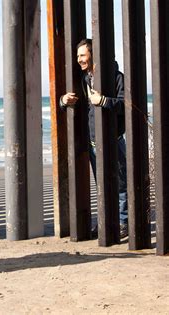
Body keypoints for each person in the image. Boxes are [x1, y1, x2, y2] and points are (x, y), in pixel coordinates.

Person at [60, 38, 128, 239]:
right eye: (78, 56)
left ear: (93, 55)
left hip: (113, 139)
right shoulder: (84, 80)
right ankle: (106, 222)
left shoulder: (117, 77)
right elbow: (76, 107)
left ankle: (123, 222)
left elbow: (126, 105)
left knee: (121, 184)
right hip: (92, 142)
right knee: (102, 185)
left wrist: (104, 101)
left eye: (82, 55)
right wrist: (63, 101)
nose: (79, 59)